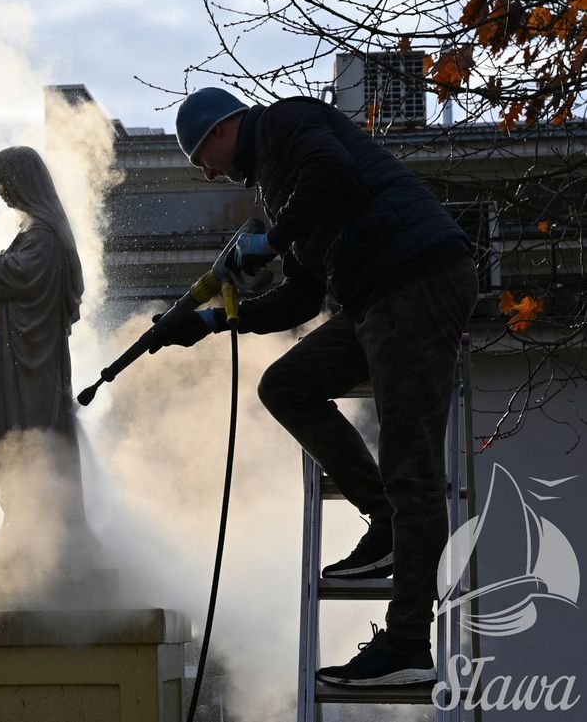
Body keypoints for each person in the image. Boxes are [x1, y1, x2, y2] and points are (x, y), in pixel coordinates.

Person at [154, 88, 477, 686]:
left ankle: (407, 643)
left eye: (202, 154)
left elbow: (334, 173)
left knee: (412, 466)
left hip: (416, 275)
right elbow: (301, 296)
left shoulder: (287, 123)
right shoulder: (279, 186)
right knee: (286, 385)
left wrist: (270, 242)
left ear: (225, 127)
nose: (207, 171)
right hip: (374, 294)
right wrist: (213, 320)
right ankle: (382, 519)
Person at [0, 145, 97, 563]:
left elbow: (11, 276)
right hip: (21, 363)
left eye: (1, 180)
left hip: (32, 369)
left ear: (20, 181)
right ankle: (25, 525)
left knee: (25, 442)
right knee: (14, 444)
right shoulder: (37, 232)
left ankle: (35, 528)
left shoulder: (42, 237)